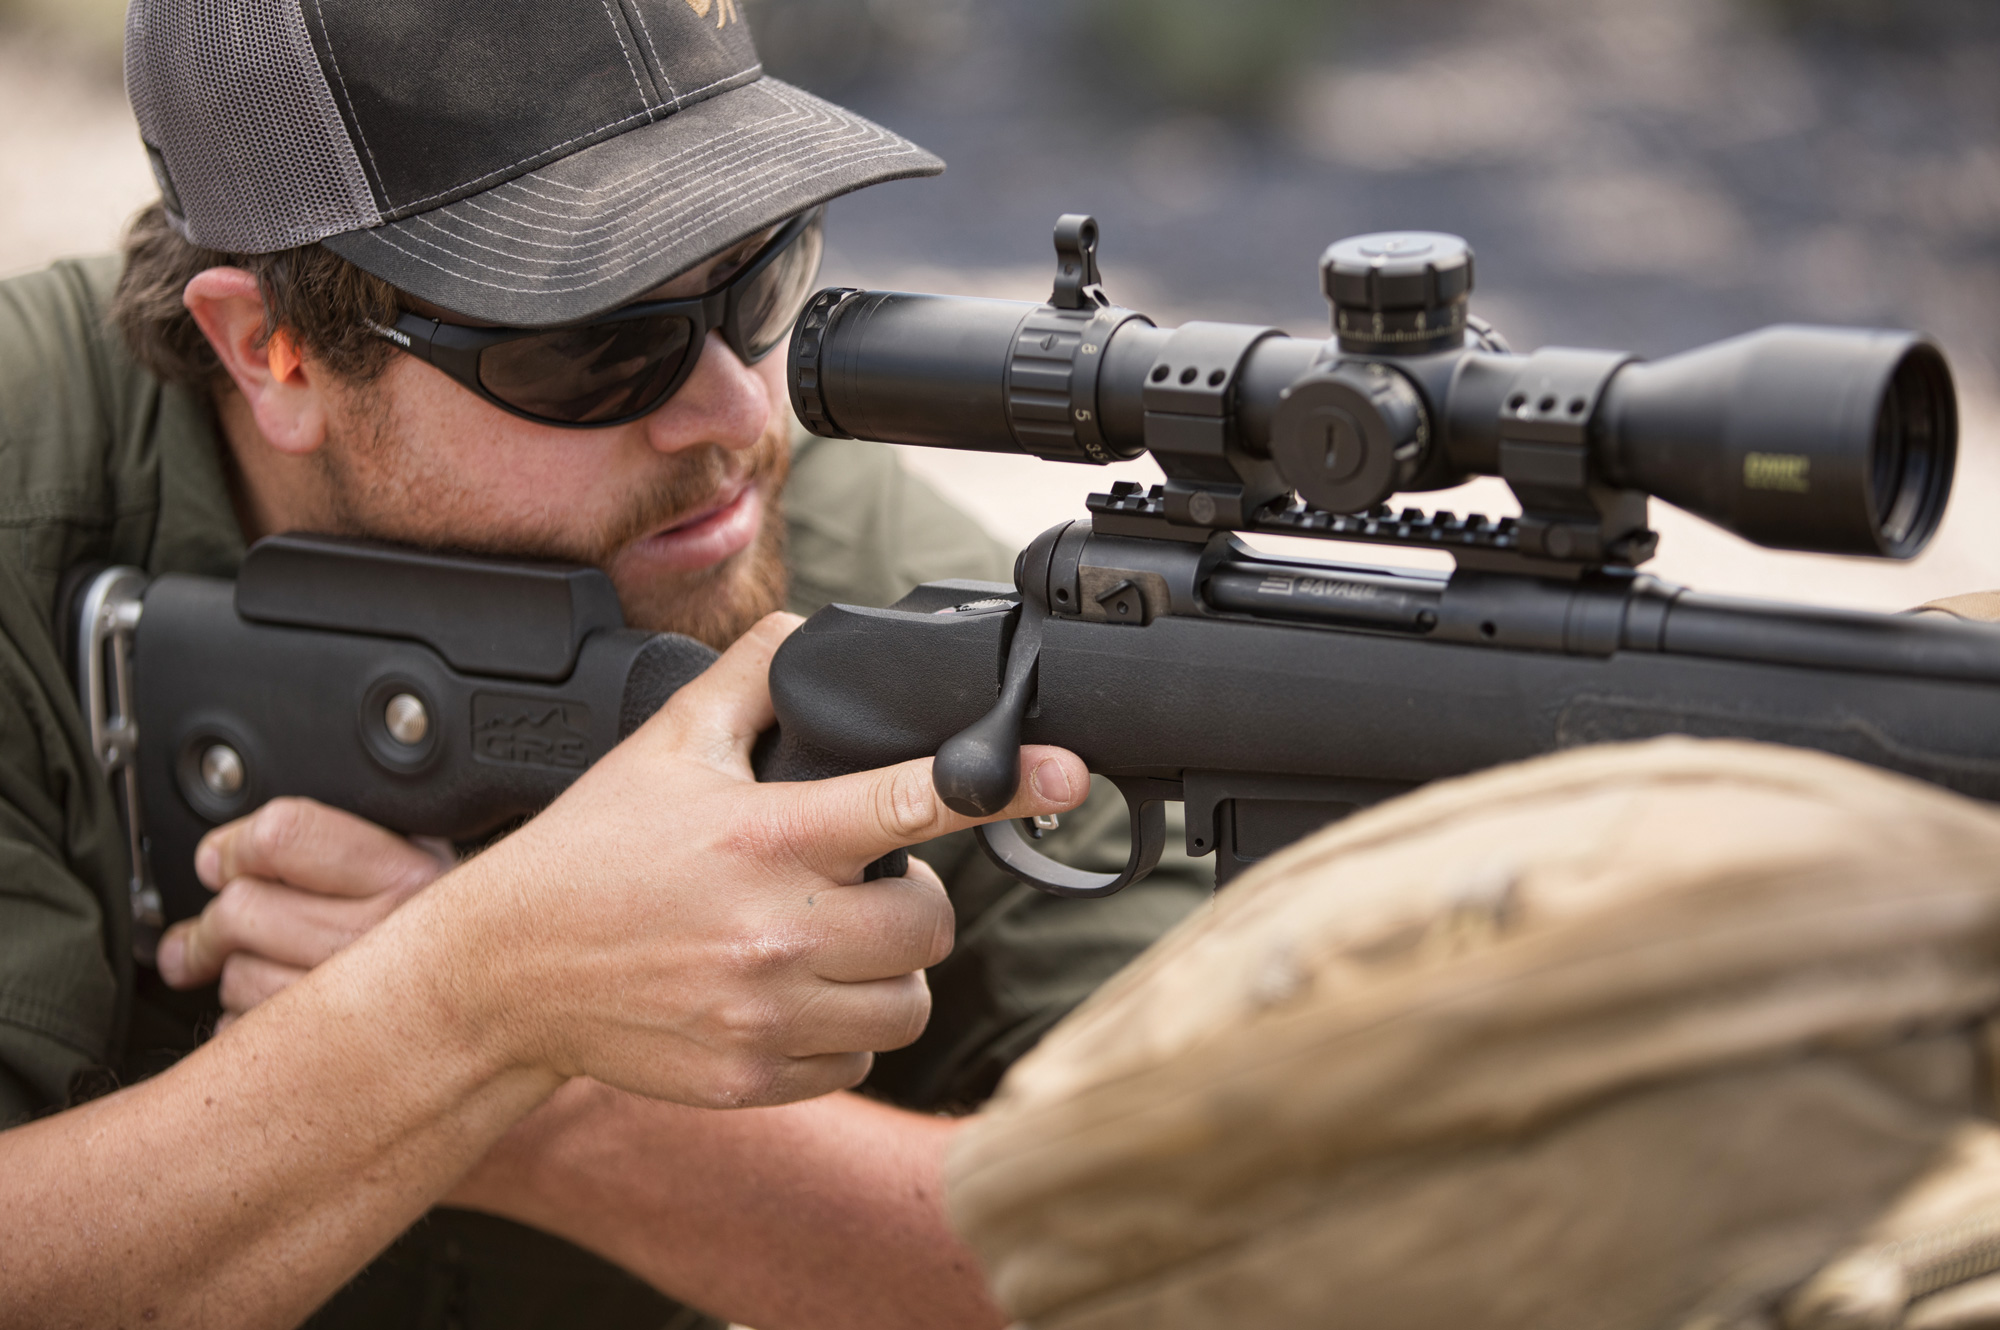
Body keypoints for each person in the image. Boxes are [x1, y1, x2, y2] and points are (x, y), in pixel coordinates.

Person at [0, 2, 1208, 1326]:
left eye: (758, 278)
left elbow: (1225, 1243)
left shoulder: (789, 534)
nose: (739, 410)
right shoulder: (29, 490)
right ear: (267, 351)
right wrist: (466, 1016)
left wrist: (533, 1091)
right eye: (592, 348)